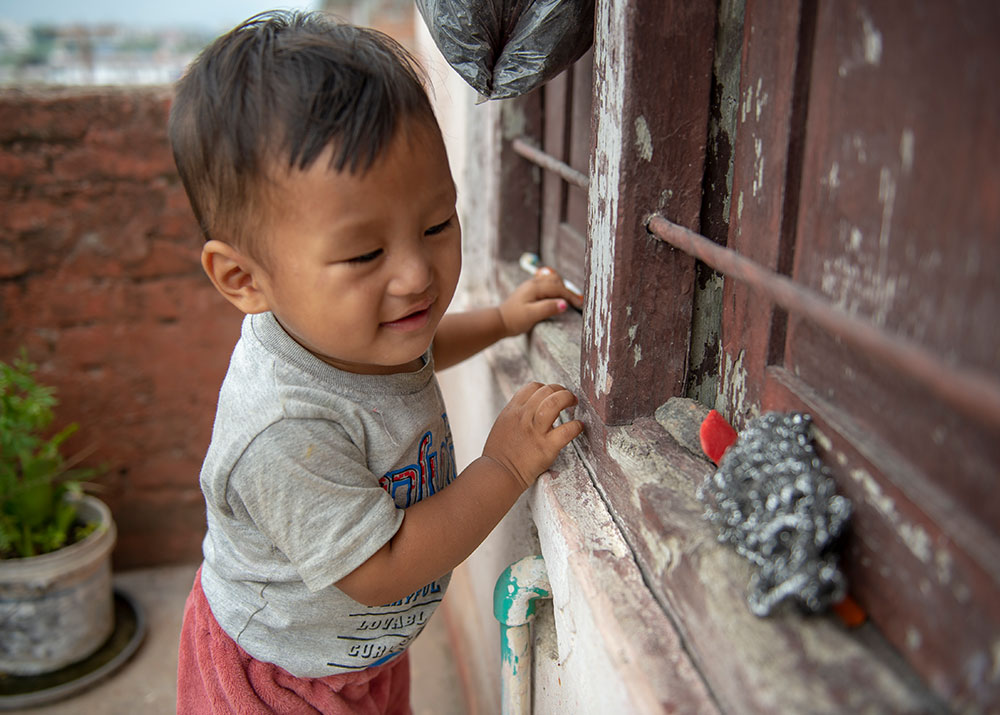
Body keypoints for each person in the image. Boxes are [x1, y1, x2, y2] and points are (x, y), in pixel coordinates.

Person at [169, 10, 584, 714]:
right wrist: (506, 467)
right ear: (245, 279)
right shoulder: (280, 426)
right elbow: (380, 567)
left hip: (361, 654)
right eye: (366, 254)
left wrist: (504, 321)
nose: (417, 274)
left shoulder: (354, 327)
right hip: (277, 679)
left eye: (437, 224)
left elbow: (418, 347)